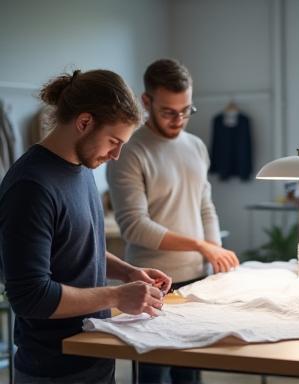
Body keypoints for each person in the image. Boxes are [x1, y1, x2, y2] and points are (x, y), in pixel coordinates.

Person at [0, 69, 172, 384]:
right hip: (53, 370)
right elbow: (31, 296)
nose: (117, 155)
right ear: (83, 122)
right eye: (113, 141)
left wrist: (128, 273)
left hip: (92, 356)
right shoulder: (31, 186)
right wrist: (117, 296)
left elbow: (76, 247)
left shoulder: (80, 169)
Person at [107, 58, 239, 384]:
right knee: (153, 374)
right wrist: (201, 245)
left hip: (197, 279)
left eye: (186, 110)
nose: (179, 119)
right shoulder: (130, 150)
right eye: (168, 111)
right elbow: (135, 226)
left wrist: (216, 257)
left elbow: (205, 205)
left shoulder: (195, 146)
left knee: (190, 373)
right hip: (153, 283)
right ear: (146, 102)